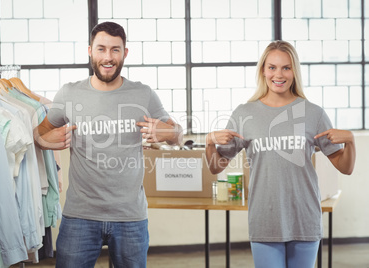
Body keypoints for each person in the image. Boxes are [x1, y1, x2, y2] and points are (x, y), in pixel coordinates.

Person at [34, 21, 183, 268]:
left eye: (115, 50)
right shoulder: (69, 94)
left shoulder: (143, 94)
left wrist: (169, 133)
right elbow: (39, 134)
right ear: (90, 50)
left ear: (125, 53)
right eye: (101, 49)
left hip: (130, 217)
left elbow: (178, 134)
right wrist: (43, 141)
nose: (108, 57)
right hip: (80, 216)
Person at [205, 40, 355, 268]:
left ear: (294, 71)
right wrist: (209, 142)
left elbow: (345, 167)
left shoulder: (313, 113)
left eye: (286, 67)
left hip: (304, 218)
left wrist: (351, 141)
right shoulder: (245, 113)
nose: (279, 74)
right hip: (265, 220)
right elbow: (217, 166)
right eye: (272, 67)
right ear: (263, 70)